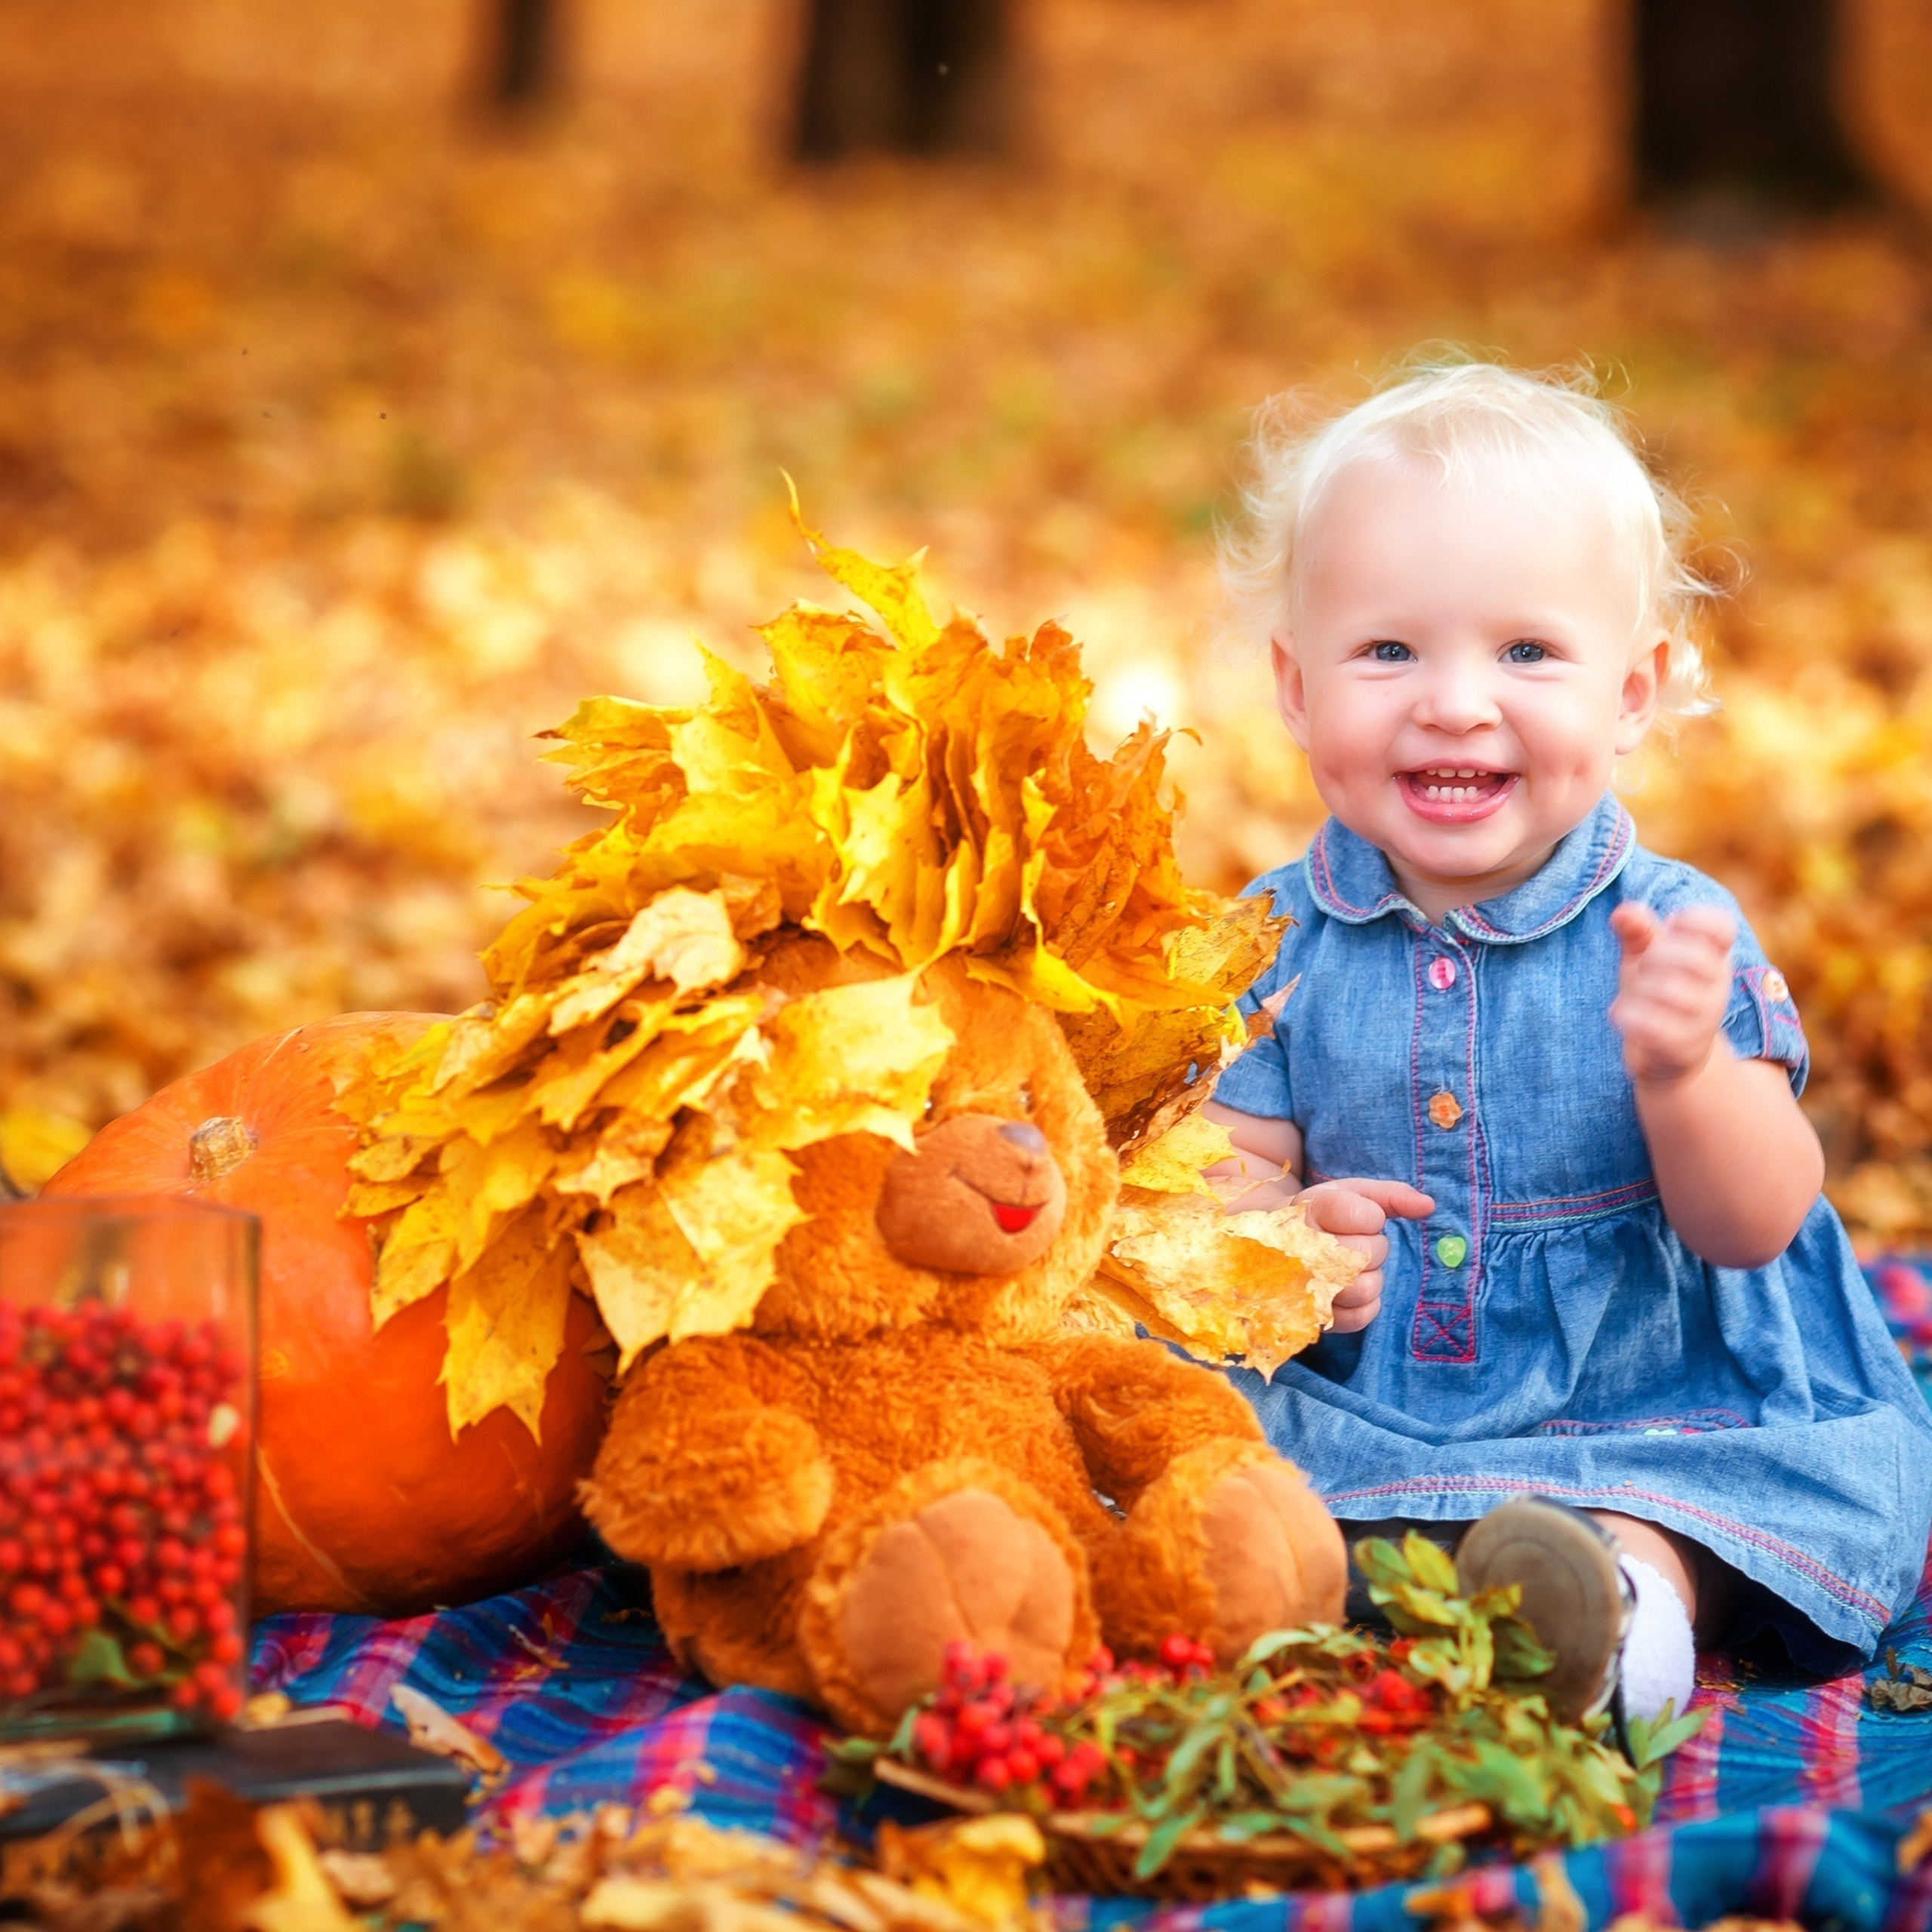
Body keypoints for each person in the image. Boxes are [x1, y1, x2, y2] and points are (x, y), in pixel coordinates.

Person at [1202, 357, 1932, 1727]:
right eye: (1388, 651)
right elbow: (1222, 1167)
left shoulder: (1672, 931)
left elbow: (1757, 1222)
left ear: (1633, 693)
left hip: (1656, 1392)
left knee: (1688, 1505)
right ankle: (1350, 1578)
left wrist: (1686, 1075)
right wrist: (1278, 1238)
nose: (1455, 701)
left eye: (1527, 652)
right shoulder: (1270, 941)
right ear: (1296, 688)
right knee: (1207, 1453)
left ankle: (1621, 1618)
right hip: (1370, 1391)